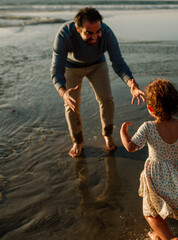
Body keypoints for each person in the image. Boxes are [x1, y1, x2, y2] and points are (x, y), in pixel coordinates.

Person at [50, 7, 145, 157]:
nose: (95, 37)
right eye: (89, 33)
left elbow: (118, 63)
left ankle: (107, 135)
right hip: (72, 67)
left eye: (97, 31)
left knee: (106, 99)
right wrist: (63, 92)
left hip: (97, 65)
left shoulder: (106, 33)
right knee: (71, 103)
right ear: (77, 29)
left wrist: (131, 85)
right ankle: (78, 141)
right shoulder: (64, 34)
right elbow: (56, 70)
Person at [120, 78, 178, 240]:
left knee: (150, 213)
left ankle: (169, 238)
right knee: (161, 205)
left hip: (155, 176)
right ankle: (158, 235)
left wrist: (123, 133)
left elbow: (130, 147)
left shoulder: (148, 127)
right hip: (176, 174)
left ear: (150, 108)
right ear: (176, 104)